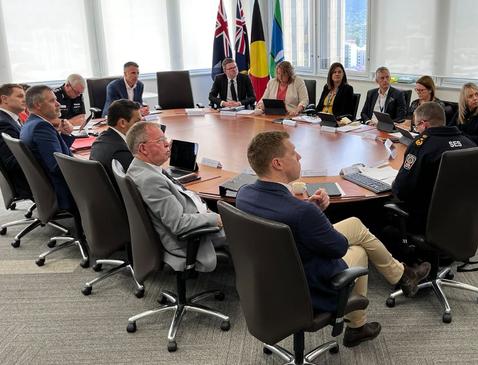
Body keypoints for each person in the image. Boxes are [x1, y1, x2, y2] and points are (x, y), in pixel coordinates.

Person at [236, 131, 431, 348]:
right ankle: (358, 326)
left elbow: (284, 216)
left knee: (355, 224)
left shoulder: (244, 194)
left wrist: (311, 209)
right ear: (277, 163)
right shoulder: (301, 213)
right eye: (293, 153)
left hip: (267, 281)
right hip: (304, 287)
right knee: (359, 250)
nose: (299, 156)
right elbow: (338, 248)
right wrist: (315, 214)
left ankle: (402, 275)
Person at [125, 121, 226, 272]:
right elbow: (178, 224)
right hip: (190, 236)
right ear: (143, 148)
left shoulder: (140, 167)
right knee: (248, 231)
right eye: (160, 141)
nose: (167, 144)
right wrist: (216, 219)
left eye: (165, 138)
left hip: (194, 215)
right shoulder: (150, 180)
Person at [392, 101, 476, 233]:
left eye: (416, 126)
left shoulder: (421, 146)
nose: (416, 130)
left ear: (424, 124)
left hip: (426, 219)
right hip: (463, 217)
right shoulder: (470, 145)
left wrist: (394, 184)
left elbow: (402, 190)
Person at [20, 85, 76, 210]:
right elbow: (57, 166)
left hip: (45, 185)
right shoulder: (42, 127)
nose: (58, 104)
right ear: (38, 104)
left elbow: (54, 154)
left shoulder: (30, 123)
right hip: (61, 189)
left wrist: (65, 135)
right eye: (52, 101)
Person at [90, 99, 141, 184]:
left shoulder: (99, 141)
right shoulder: (121, 151)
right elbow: (140, 180)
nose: (141, 125)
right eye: (137, 121)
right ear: (122, 123)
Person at [0, 83, 30, 197]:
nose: (25, 100)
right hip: (25, 181)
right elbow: (11, 161)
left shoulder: (11, 119)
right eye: (20, 96)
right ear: (4, 99)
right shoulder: (3, 123)